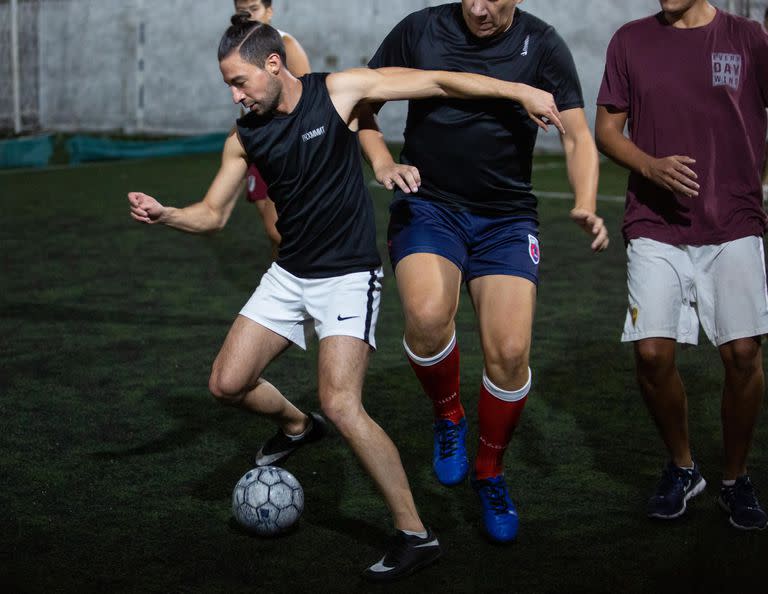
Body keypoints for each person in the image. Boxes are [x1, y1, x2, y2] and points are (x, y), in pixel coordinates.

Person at [128, 15, 565, 578]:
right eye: (227, 87)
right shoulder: (244, 137)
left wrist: (519, 90)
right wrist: (167, 215)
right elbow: (212, 215)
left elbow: (438, 81)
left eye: (239, 82)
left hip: (347, 277)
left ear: (273, 64)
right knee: (226, 383)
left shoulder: (339, 92)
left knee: (342, 402)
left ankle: (416, 533)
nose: (234, 95)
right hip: (288, 275)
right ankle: (296, 426)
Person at [358, 0, 609, 543]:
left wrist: (586, 200)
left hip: (506, 216)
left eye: (492, 0)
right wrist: (381, 161)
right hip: (429, 204)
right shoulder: (420, 28)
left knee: (511, 354)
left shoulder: (542, 44)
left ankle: (490, 471)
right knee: (426, 317)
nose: (478, 9)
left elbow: (577, 135)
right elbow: (362, 100)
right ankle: (449, 416)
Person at [595, 0, 768, 531]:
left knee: (742, 354)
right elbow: (606, 129)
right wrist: (648, 165)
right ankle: (683, 466)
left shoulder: (748, 38)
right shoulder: (630, 40)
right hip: (655, 222)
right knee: (651, 354)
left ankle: (735, 480)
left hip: (734, 219)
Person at [233, 0, 312, 254]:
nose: (247, 15)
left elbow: (309, 98)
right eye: (241, 10)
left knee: (279, 229)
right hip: (258, 145)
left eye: (254, 9)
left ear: (269, 11)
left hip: (286, 146)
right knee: (275, 236)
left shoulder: (285, 44)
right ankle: (284, 283)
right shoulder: (237, 49)